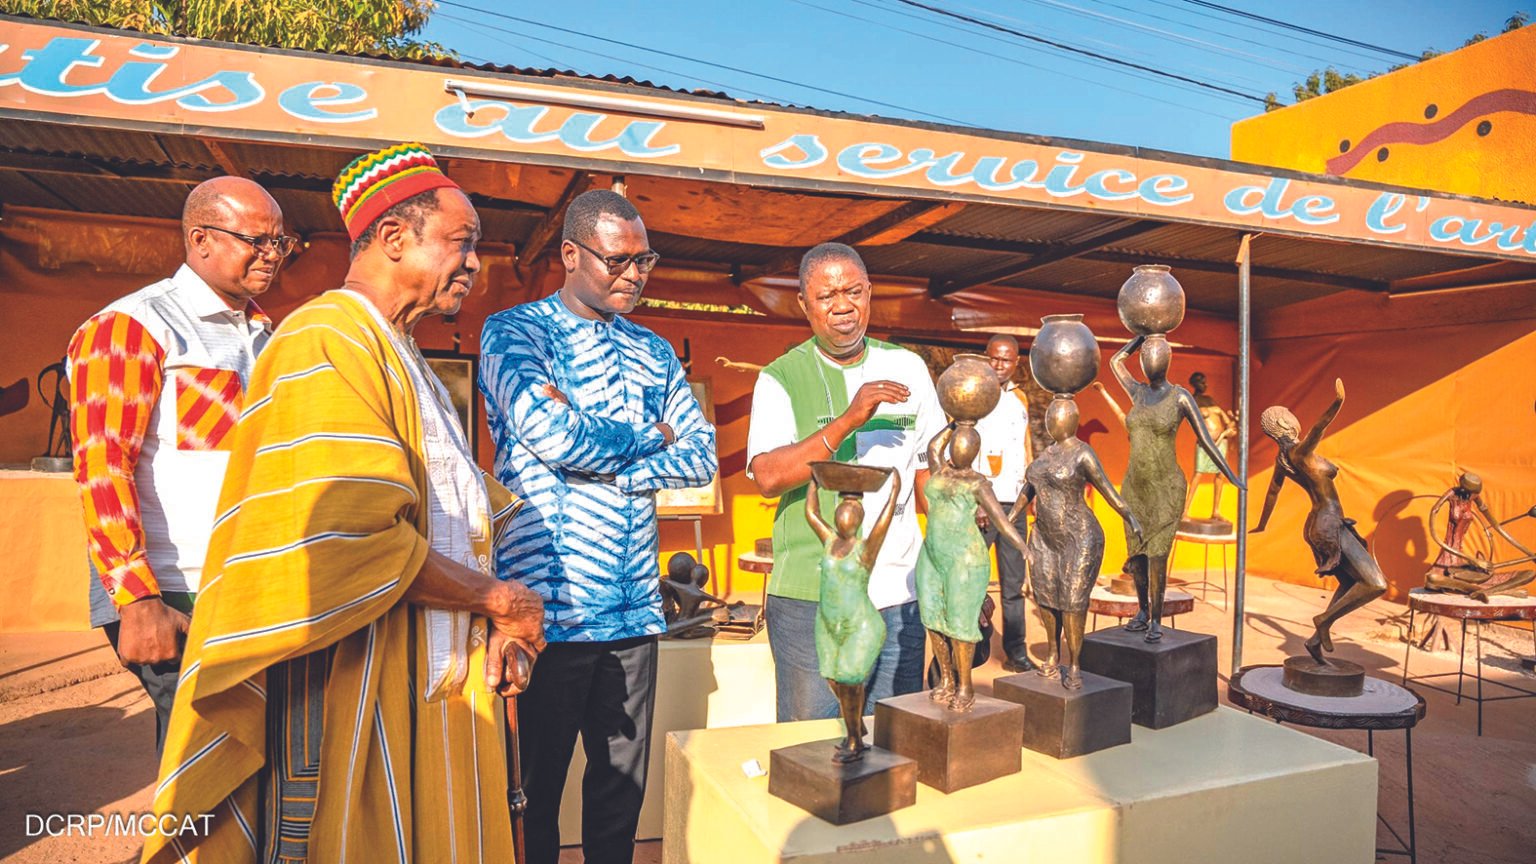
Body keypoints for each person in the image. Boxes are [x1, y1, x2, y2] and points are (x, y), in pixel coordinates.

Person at [142, 143, 546, 863]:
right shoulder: (324, 340)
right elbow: (354, 540)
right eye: (462, 242)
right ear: (394, 237)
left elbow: (461, 513)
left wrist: (500, 610)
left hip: (427, 677)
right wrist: (498, 600)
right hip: (353, 686)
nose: (476, 264)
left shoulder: (397, 352)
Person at [479, 189, 716, 864]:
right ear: (571, 254)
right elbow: (550, 433)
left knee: (618, 795)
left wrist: (618, 466)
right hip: (545, 612)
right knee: (535, 797)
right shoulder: (514, 332)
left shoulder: (653, 349)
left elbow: (698, 455)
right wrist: (654, 436)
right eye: (617, 261)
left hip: (634, 611)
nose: (633, 275)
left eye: (645, 260)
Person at [66, 176, 286, 751]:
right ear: (201, 239)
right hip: (173, 589)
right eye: (256, 240)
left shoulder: (268, 335)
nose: (271, 255)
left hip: (246, 585)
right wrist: (138, 600)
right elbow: (102, 466)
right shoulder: (133, 326)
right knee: (202, 764)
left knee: (246, 761)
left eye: (281, 243)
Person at [747, 242, 946, 721]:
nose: (843, 306)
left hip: (899, 593)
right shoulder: (780, 377)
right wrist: (849, 420)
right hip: (811, 596)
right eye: (827, 295)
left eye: (854, 291)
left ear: (870, 293)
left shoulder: (909, 368)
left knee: (892, 737)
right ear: (804, 304)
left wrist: (947, 566)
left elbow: (928, 474)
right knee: (809, 742)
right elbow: (769, 477)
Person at [1110, 334, 1240, 642]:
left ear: (1168, 362)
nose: (1150, 361)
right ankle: (1142, 611)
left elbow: (1206, 440)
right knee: (1137, 553)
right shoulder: (1137, 392)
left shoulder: (1180, 397)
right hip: (1135, 486)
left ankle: (1156, 618)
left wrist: (1230, 473)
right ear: (1141, 360)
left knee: (1158, 554)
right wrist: (1140, 336)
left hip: (1166, 485)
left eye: (1157, 356)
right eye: (1146, 356)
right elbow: (1115, 361)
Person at [1253, 379, 1386, 663]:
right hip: (1328, 523)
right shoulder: (1299, 452)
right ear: (1284, 423)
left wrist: (1263, 524)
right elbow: (1318, 428)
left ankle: (1315, 640)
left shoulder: (1283, 460)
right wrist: (1337, 402)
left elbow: (1272, 494)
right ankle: (1323, 621)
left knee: (1351, 582)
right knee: (1376, 584)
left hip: (1322, 522)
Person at [973, 333, 1036, 671]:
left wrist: (1033, 493)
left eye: (1006, 359)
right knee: (974, 580)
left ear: (1016, 363)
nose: (999, 365)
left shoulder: (1020, 399)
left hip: (1016, 503)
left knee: (1014, 584)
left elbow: (1025, 449)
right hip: (985, 503)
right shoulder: (975, 395)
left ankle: (1017, 651)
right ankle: (975, 644)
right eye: (994, 358)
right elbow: (966, 449)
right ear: (986, 357)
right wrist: (978, 501)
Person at [1423, 472, 1535, 601]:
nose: (1471, 496)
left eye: (1473, 493)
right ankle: (1482, 590)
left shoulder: (1474, 496)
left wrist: (1529, 553)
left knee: (1529, 574)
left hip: (1461, 559)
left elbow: (1497, 527)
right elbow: (1435, 533)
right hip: (1449, 554)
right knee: (1432, 578)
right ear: (1463, 487)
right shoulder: (1452, 494)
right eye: (1469, 492)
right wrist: (1473, 560)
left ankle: (1487, 591)